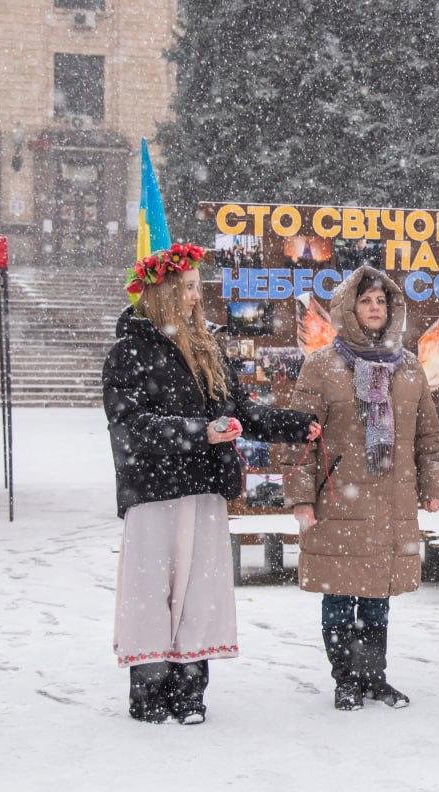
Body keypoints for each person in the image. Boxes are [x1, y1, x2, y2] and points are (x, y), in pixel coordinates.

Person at [103, 243, 319, 724]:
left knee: (199, 591)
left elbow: (241, 413)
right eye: (188, 288)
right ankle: (149, 692)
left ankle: (189, 693)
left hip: (204, 489)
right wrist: (200, 432)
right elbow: (129, 426)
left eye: (198, 288)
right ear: (161, 292)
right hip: (154, 492)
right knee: (150, 590)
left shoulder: (208, 349)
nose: (197, 298)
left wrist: (293, 425)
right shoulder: (129, 351)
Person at [283, 265, 439, 711]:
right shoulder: (322, 366)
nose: (374, 308)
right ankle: (346, 680)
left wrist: (434, 484)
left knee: (378, 596)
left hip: (391, 503)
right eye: (365, 301)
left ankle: (374, 678)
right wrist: (301, 496)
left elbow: (428, 437)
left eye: (381, 301)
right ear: (349, 308)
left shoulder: (410, 368)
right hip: (339, 499)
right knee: (339, 595)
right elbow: (301, 438)